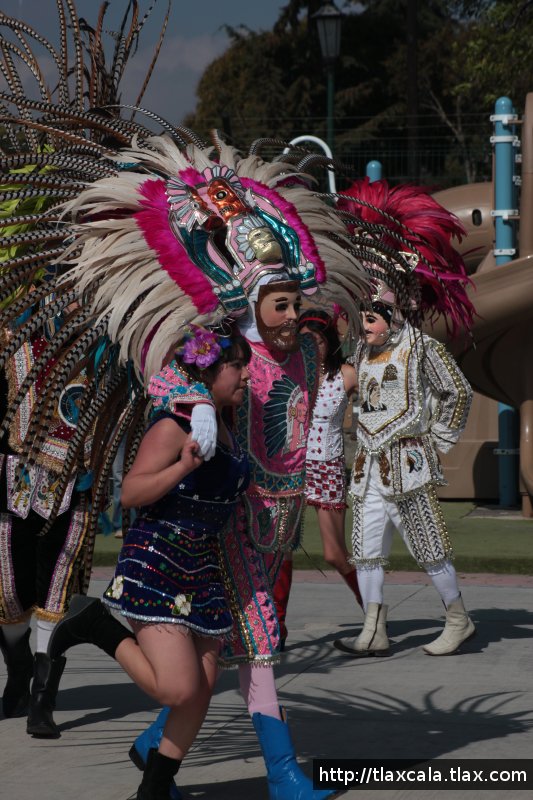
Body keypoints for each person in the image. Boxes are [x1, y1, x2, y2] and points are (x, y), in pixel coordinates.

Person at [48, 329, 251, 800]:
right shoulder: (173, 426)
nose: (246, 374)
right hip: (157, 561)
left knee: (201, 689)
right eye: (237, 365)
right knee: (177, 691)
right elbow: (132, 493)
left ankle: (153, 790)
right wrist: (183, 466)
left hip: (204, 568)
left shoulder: (223, 423)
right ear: (208, 370)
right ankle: (95, 623)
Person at [332, 177, 476, 658]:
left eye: (371, 316)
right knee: (366, 547)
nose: (364, 324)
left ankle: (457, 618)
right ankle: (373, 627)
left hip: (410, 467)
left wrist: (436, 441)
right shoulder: (359, 348)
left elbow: (456, 391)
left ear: (394, 315)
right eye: (362, 315)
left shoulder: (422, 348)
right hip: (368, 465)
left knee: (428, 545)